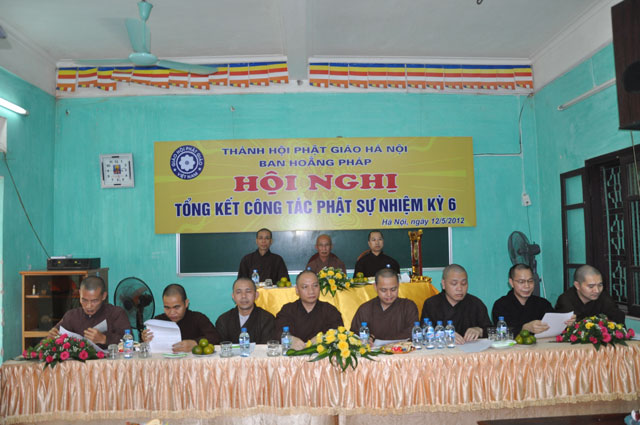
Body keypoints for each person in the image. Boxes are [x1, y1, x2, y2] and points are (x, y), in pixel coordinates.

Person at [48, 276, 129, 349]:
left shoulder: (116, 314)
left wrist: (104, 339)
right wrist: (51, 337)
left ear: (104, 296)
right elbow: (51, 338)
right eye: (84, 300)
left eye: (94, 301)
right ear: (79, 294)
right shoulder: (71, 316)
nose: (88, 306)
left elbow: (129, 342)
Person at [421, 264, 492, 344]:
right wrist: (441, 335)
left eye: (463, 283)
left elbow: (491, 330)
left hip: (470, 351)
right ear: (443, 284)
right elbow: (423, 333)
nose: (459, 288)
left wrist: (480, 330)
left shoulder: (476, 304)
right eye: (454, 284)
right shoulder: (431, 304)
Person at [275, 270, 343, 349]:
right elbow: (278, 332)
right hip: (293, 355)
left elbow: (339, 332)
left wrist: (324, 338)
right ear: (297, 290)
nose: (311, 291)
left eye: (315, 286)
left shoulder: (330, 310)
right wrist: (289, 339)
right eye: (305, 287)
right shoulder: (288, 310)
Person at [142, 284, 220, 352]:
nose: (172, 312)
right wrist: (145, 339)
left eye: (176, 307)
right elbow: (144, 346)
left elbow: (215, 337)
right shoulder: (158, 321)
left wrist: (195, 343)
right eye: (167, 308)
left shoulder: (198, 318)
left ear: (186, 303)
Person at [350, 267, 418, 340]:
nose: (389, 294)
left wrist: (377, 339)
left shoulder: (408, 307)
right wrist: (367, 340)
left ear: (398, 286)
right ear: (375, 287)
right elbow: (354, 336)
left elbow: (413, 332)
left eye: (393, 289)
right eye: (383, 290)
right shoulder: (365, 309)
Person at [491, 264, 555, 335]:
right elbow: (502, 333)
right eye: (521, 282)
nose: (527, 286)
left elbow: (554, 325)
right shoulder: (501, 305)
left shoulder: (543, 303)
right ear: (511, 283)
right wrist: (524, 328)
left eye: (530, 281)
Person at [555, 264, 625, 323]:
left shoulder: (603, 296)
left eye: (600, 285)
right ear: (577, 285)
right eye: (591, 286)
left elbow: (618, 317)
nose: (597, 290)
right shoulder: (565, 300)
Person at [215, 277, 276, 343]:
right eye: (238, 292)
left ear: (256, 295)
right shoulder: (223, 320)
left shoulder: (267, 319)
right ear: (233, 296)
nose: (243, 296)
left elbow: (267, 347)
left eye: (248, 291)